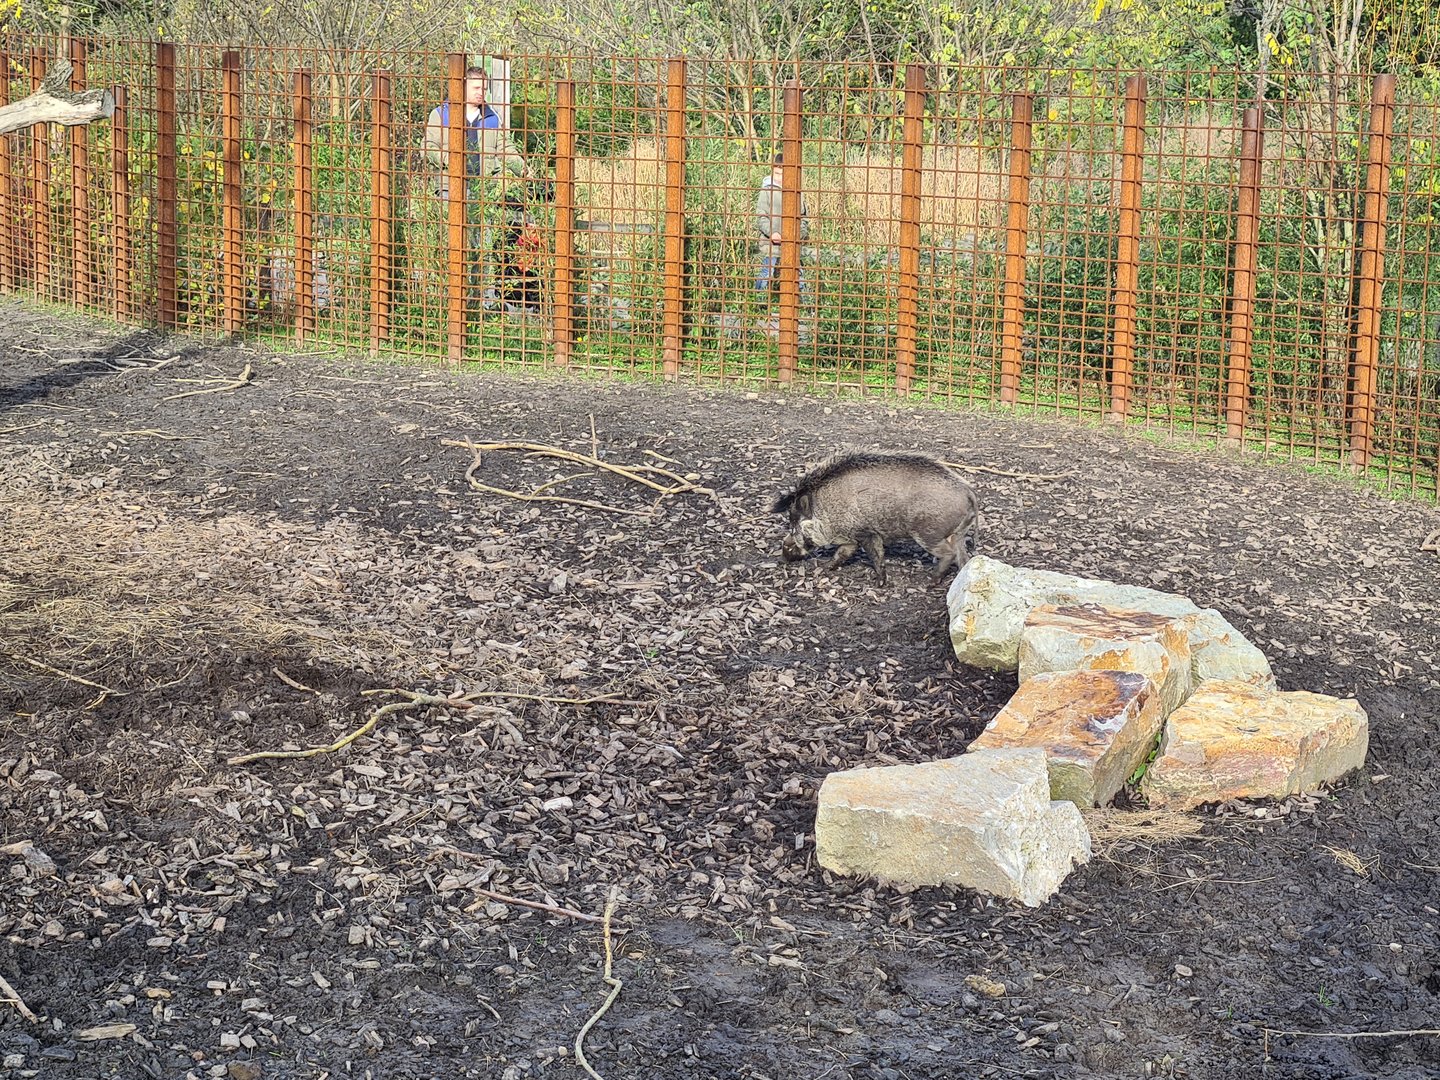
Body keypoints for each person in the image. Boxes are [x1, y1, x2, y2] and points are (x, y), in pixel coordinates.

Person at [422, 66, 535, 311]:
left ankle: (483, 301)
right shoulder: (441, 114)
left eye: (484, 88)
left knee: (482, 245)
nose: (481, 93)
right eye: (476, 88)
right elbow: (428, 147)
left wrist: (524, 170)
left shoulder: (492, 117)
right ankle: (451, 301)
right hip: (449, 188)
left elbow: (505, 148)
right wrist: (452, 160)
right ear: (462, 87)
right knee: (453, 244)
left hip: (483, 190)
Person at [754, 152, 810, 301]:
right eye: (776, 173)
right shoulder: (767, 190)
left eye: (782, 174)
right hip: (770, 244)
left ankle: (807, 306)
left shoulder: (797, 192)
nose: (779, 177)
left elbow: (803, 218)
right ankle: (758, 306)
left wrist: (798, 234)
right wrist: (772, 233)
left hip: (792, 244)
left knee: (799, 276)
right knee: (766, 274)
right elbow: (761, 216)